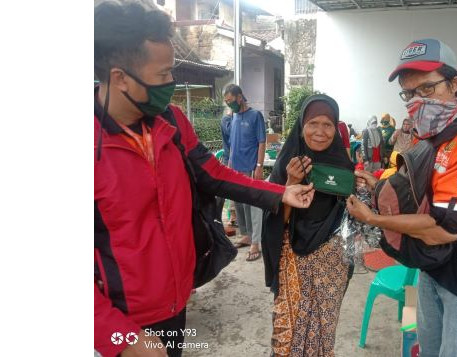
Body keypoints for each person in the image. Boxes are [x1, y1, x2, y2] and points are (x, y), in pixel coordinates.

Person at [94, 3, 314, 357]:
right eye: (163, 74)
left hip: (174, 304)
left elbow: (214, 173)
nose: (171, 83)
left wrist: (280, 193)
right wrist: (121, 336)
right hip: (121, 320)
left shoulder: (172, 122)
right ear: (120, 77)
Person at [347, 38, 457, 357]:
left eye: (427, 89)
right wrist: (377, 183)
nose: (417, 101)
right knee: (429, 348)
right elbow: (420, 194)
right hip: (433, 262)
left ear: (455, 83)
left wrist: (373, 218)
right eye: (409, 93)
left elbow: (447, 228)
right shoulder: (429, 138)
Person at [263, 94, 355, 357]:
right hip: (294, 259)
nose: (320, 132)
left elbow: (351, 213)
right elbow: (276, 220)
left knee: (323, 330)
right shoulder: (287, 162)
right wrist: (290, 183)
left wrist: (359, 192)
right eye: (313, 123)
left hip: (332, 262)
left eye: (328, 124)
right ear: (301, 126)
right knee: (288, 335)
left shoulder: (342, 163)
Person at [224, 84, 266, 262]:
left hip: (250, 167)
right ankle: (247, 235)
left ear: (239, 97)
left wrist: (259, 166)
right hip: (235, 168)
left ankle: (256, 242)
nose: (229, 104)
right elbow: (232, 144)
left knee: (254, 206)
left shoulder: (255, 116)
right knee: (240, 205)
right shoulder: (233, 116)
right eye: (226, 101)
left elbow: (262, 142)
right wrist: (229, 165)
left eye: (230, 100)